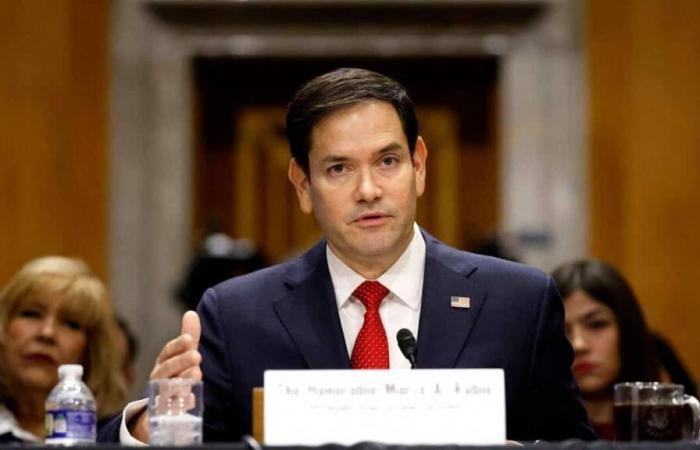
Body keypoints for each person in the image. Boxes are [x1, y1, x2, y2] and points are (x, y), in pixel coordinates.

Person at [101, 68, 595, 443]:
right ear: (302, 184)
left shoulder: (518, 302)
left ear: (419, 166)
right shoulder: (235, 315)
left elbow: (575, 445)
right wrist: (149, 427)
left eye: (387, 161)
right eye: (338, 168)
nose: (368, 190)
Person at [0, 256, 128, 443]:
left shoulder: (116, 437)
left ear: (91, 349)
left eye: (70, 323)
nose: (47, 333)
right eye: (31, 314)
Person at [551, 259, 660, 440]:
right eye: (563, 332)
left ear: (628, 330)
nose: (579, 345)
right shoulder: (526, 437)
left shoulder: (675, 425)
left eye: (596, 324)